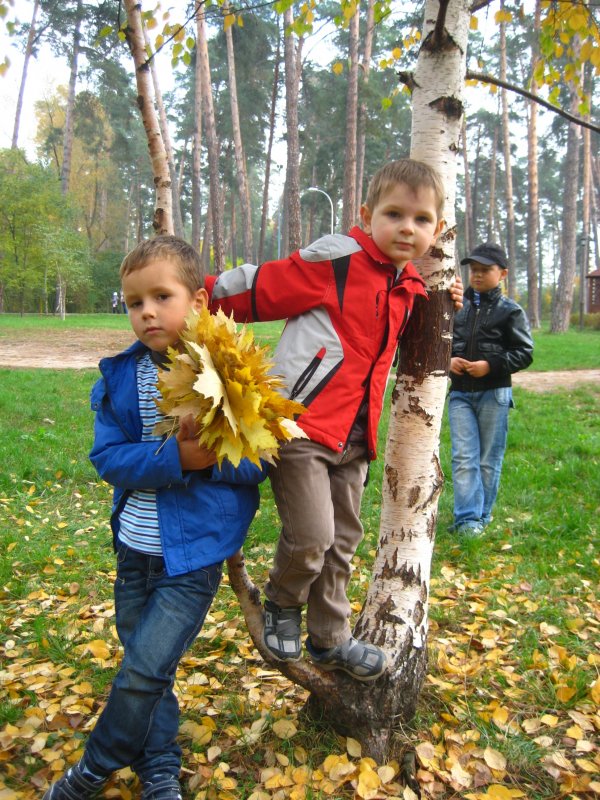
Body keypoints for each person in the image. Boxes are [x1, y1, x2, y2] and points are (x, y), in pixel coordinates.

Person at [206, 159, 461, 681]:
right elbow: (265, 287)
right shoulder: (338, 260)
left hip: (356, 435)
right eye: (394, 214)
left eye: (421, 219)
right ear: (367, 216)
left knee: (343, 541)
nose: (406, 228)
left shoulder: (408, 285)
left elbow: (409, 343)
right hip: (301, 425)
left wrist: (448, 303)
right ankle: (281, 602)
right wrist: (193, 290)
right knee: (313, 535)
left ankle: (330, 638)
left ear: (437, 230)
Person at [43, 236, 266, 800]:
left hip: (189, 557)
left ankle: (94, 768)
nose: (145, 312)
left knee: (143, 670)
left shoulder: (227, 373)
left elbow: (254, 468)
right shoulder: (119, 377)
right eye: (133, 302)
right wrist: (175, 457)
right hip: (133, 550)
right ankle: (161, 768)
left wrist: (207, 458)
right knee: (149, 666)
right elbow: (108, 457)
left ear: (195, 301)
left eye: (160, 297)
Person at [448, 242, 533, 538]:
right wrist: (449, 361)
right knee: (463, 457)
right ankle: (467, 519)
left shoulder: (511, 311)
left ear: (503, 274)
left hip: (494, 393)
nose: (478, 275)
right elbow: (443, 341)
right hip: (459, 393)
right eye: (474, 270)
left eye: (486, 270)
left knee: (487, 458)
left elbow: (524, 352)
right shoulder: (457, 307)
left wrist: (491, 365)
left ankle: (481, 515)